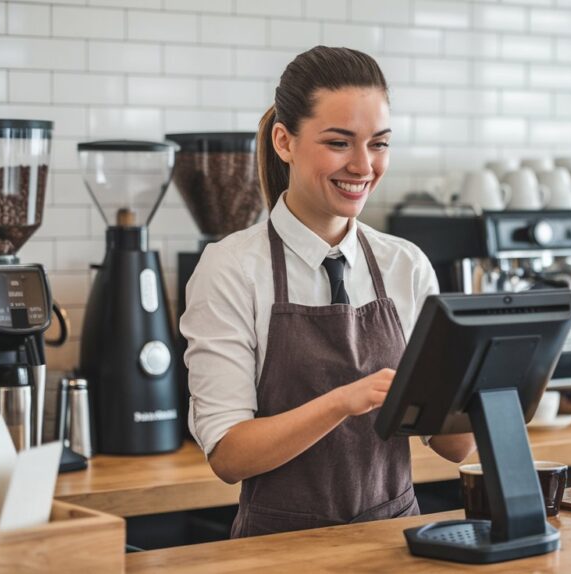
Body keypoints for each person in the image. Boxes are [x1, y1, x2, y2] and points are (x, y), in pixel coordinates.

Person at [181, 46, 475, 538]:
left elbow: (454, 448)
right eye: (340, 143)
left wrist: (481, 385)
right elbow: (229, 455)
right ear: (284, 141)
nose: (363, 165)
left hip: (394, 544)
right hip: (279, 553)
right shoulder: (231, 268)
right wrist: (343, 401)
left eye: (379, 144)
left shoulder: (406, 265)